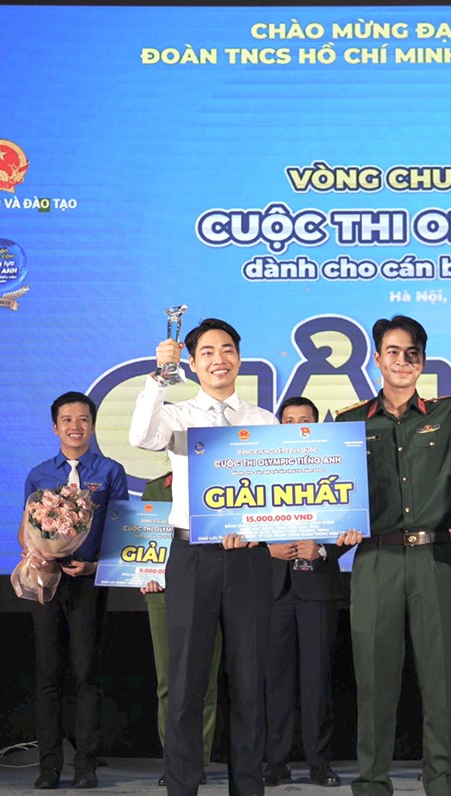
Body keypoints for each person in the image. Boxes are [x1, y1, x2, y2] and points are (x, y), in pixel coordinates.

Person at [334, 312, 451, 796]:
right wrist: (334, 529)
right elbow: (330, 495)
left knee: (441, 683)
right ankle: (372, 785)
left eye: (412, 353)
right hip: (375, 560)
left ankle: (444, 784)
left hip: (434, 559)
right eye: (393, 352)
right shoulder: (349, 422)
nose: (403, 361)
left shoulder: (447, 413)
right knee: (374, 682)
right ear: (377, 359)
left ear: (423, 361)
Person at [129, 317, 277, 796]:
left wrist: (260, 530)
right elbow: (141, 436)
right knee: (186, 683)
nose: (219, 359)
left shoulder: (263, 421)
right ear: (192, 363)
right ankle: (182, 786)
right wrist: (159, 376)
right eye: (208, 352)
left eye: (228, 349)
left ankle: (248, 787)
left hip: (248, 559)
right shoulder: (177, 416)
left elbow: (276, 495)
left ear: (240, 358)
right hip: (192, 555)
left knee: (249, 681)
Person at [23, 391, 129, 790]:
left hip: (88, 581)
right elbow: (26, 529)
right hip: (48, 583)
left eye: (83, 419)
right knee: (48, 674)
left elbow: (124, 530)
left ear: (93, 425)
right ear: (55, 427)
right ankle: (49, 766)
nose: (75, 426)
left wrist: (95, 566)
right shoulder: (38, 475)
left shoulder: (111, 471)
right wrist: (38, 555)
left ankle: (86, 765)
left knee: (86, 674)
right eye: (67, 420)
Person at [264, 396, 359, 788]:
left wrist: (321, 549)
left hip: (318, 586)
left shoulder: (336, 465)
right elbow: (239, 516)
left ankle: (320, 762)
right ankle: (275, 761)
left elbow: (353, 521)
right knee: (276, 679)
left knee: (317, 679)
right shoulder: (260, 466)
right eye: (289, 420)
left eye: (304, 420)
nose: (296, 425)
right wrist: (265, 548)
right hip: (273, 588)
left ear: (316, 426)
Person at [139, 469, 221, 788]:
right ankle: (174, 760)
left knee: (205, 679)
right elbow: (140, 537)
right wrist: (141, 573)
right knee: (169, 681)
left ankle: (198, 760)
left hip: (207, 587)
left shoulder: (217, 478)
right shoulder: (156, 488)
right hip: (161, 592)